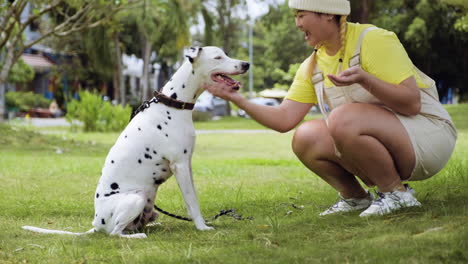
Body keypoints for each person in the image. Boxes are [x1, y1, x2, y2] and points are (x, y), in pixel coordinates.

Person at [204, 0, 457, 217]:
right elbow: (284, 120)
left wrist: (365, 79)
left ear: (327, 13)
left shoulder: (373, 39)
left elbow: (412, 103)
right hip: (393, 144)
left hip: (428, 136)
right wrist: (238, 99)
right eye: (296, 17)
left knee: (342, 118)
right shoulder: (312, 65)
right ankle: (356, 198)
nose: (297, 24)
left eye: (301, 15)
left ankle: (397, 194)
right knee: (306, 136)